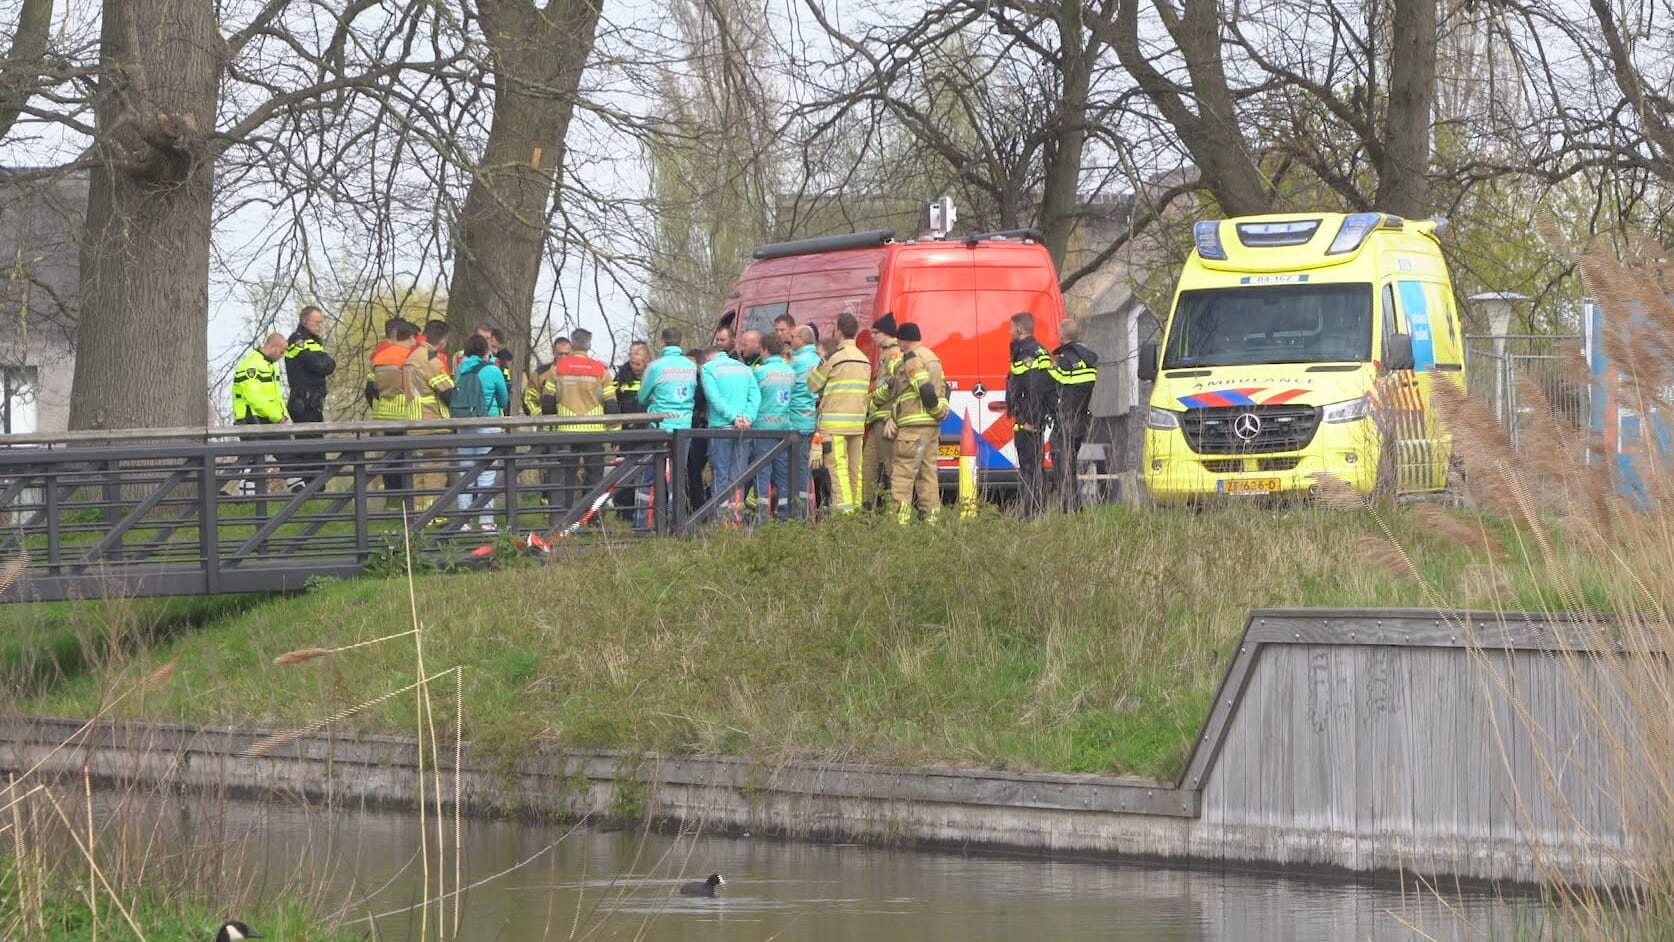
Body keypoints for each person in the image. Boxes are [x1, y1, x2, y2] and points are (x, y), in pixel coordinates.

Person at [807, 312, 871, 513]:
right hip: (857, 424)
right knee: (855, 470)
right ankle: (856, 510)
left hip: (834, 425)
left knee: (838, 470)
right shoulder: (864, 359)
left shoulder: (834, 358)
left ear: (839, 331)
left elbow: (813, 385)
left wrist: (814, 369)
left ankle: (845, 514)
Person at [888, 322, 949, 524]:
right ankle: (932, 522)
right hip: (931, 428)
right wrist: (941, 411)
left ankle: (899, 524)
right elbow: (944, 388)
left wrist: (936, 409)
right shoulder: (933, 357)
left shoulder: (912, 358)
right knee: (928, 475)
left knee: (903, 476)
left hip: (913, 428)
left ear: (904, 340)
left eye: (899, 340)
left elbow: (924, 389)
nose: (898, 344)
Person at [639, 327, 699, 526]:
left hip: (660, 426)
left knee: (649, 474)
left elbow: (642, 397)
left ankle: (643, 522)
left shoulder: (656, 366)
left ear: (663, 342)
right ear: (680, 342)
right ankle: (676, 522)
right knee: (677, 476)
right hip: (683, 426)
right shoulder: (691, 366)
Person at [452, 333, 509, 531]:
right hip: (488, 424)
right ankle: (486, 521)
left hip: (465, 425)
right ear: (486, 352)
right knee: (487, 473)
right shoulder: (493, 370)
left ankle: (464, 521)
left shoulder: (461, 370)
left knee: (465, 472)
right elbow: (503, 400)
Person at [550, 328, 608, 510]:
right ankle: (592, 516)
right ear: (589, 345)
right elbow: (612, 403)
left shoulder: (558, 369)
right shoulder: (601, 370)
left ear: (572, 344)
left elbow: (547, 401)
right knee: (594, 476)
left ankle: (564, 515)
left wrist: (551, 424)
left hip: (566, 429)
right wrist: (614, 431)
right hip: (594, 431)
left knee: (566, 476)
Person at [699, 342, 760, 518]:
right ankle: (736, 518)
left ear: (707, 358)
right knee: (738, 476)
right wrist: (747, 418)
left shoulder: (708, 369)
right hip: (744, 428)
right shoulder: (744, 368)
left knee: (720, 475)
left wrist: (733, 417)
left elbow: (714, 398)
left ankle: (722, 519)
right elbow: (755, 396)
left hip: (721, 427)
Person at [1007, 311, 1057, 517]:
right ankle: (1037, 511)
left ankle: (1031, 514)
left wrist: (1029, 419)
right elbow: (1048, 388)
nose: (1009, 332)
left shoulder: (1027, 355)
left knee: (1029, 469)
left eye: (1011, 328)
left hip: (1029, 423)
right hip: (1035, 420)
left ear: (1019, 329)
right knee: (1035, 467)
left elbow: (1033, 389)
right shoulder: (1041, 352)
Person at [227, 332, 289, 495]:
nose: (282, 355)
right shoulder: (251, 365)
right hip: (250, 419)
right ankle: (245, 497)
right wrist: (278, 416)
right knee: (254, 460)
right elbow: (254, 398)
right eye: (281, 351)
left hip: (268, 419)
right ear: (273, 347)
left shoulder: (271, 365)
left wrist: (283, 415)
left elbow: (276, 396)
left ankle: (301, 492)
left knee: (287, 454)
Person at [404, 319, 454, 513]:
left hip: (413, 421)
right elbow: (448, 392)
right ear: (443, 341)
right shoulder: (431, 360)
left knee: (419, 471)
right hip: (432, 422)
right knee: (435, 470)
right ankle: (433, 514)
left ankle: (419, 513)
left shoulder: (411, 357)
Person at [369, 319, 420, 508]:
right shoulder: (409, 358)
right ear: (410, 338)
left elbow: (370, 387)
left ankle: (391, 500)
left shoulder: (379, 356)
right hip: (404, 413)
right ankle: (405, 501)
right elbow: (414, 386)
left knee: (389, 459)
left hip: (383, 414)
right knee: (405, 460)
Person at [1051, 318, 1100, 512]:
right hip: (1081, 421)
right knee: (1071, 466)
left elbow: (1053, 386)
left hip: (1066, 421)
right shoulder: (1089, 361)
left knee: (1063, 468)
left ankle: (1069, 509)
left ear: (1062, 335)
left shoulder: (1064, 361)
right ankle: (1074, 508)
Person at [285, 305, 336, 488]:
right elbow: (320, 365)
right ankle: (311, 488)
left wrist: (326, 361)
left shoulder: (313, 342)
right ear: (305, 321)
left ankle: (316, 488)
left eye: (321, 322)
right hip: (303, 403)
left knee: (316, 448)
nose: (320, 326)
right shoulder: (298, 340)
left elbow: (328, 364)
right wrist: (325, 361)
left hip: (313, 404)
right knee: (309, 449)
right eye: (317, 322)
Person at [750, 333, 796, 521]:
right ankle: (784, 517)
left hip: (762, 429)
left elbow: (753, 400)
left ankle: (762, 518)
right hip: (784, 429)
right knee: (783, 474)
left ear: (765, 350)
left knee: (762, 473)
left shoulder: (759, 372)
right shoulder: (790, 372)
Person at [605, 340, 651, 522]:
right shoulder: (621, 378)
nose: (634, 364)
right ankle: (624, 511)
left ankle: (643, 512)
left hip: (646, 433)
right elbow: (613, 406)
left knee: (644, 473)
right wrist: (615, 438)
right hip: (625, 434)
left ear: (646, 360)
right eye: (632, 360)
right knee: (624, 474)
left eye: (638, 362)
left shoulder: (652, 375)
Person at [864, 313, 902, 511]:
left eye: (876, 332)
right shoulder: (885, 353)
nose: (873, 336)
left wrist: (876, 398)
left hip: (886, 418)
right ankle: (866, 507)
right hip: (877, 418)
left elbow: (897, 383)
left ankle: (896, 510)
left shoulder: (894, 353)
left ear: (886, 333)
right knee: (868, 464)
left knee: (890, 466)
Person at [787, 325, 821, 515]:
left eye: (792, 336)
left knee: (797, 469)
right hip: (811, 420)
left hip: (795, 421)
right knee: (805, 468)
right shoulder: (818, 359)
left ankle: (800, 514)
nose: (789, 340)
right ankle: (808, 511)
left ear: (801, 339)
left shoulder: (794, 362)